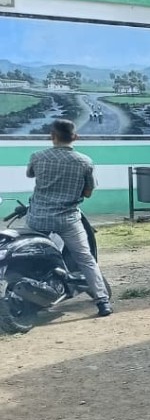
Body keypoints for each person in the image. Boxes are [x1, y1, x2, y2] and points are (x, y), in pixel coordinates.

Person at [25, 119, 113, 317]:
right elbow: (89, 192)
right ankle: (102, 302)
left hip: (38, 217)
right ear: (75, 137)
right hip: (68, 219)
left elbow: (30, 174)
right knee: (85, 259)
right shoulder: (84, 162)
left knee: (30, 255)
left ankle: (32, 297)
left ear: (52, 136)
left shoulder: (38, 157)